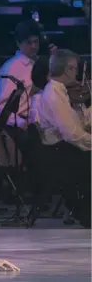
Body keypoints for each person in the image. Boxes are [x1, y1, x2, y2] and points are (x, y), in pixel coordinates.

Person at [36, 49, 91, 227]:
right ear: (67, 69)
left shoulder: (62, 92)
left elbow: (80, 123)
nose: (76, 74)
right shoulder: (54, 94)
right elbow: (71, 134)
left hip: (66, 148)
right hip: (59, 152)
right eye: (75, 69)